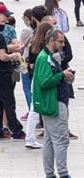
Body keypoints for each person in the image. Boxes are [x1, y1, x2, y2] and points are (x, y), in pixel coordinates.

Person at [32, 29, 74, 178]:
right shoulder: (44, 58)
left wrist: (65, 76)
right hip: (53, 103)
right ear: (51, 41)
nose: (63, 45)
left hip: (53, 101)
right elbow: (44, 82)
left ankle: (50, 174)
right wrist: (62, 75)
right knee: (61, 140)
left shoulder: (49, 56)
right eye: (61, 42)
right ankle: (63, 173)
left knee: (50, 140)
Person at [25, 21, 52, 149]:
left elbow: (30, 64)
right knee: (35, 110)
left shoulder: (33, 45)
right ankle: (30, 138)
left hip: (34, 78)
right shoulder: (44, 47)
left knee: (34, 109)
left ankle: (31, 138)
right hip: (42, 79)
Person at [19, 9, 34, 120]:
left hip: (26, 61)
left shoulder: (26, 31)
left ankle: (31, 110)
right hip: (34, 62)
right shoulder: (38, 30)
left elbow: (21, 47)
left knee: (27, 87)